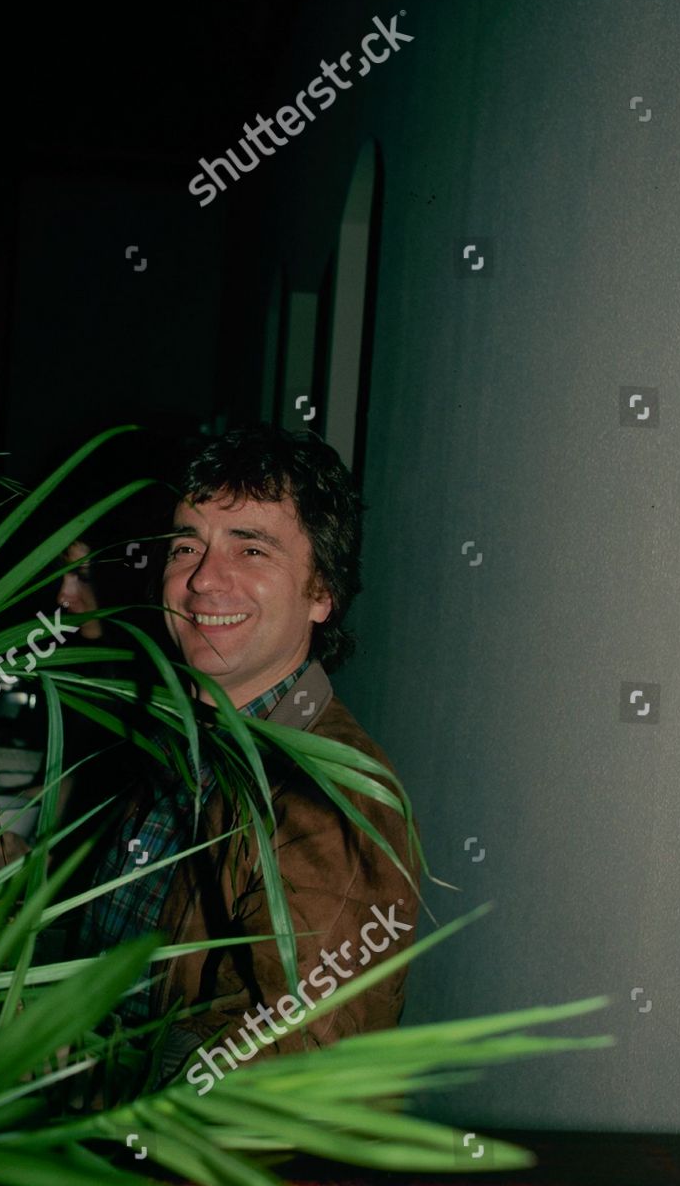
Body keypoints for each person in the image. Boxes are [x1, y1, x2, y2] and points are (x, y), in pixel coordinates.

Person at [73, 424, 422, 1084]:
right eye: (186, 547)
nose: (204, 580)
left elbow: (293, 1065)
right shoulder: (191, 742)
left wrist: (100, 1099)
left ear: (322, 592)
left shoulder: (330, 797)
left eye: (251, 549)